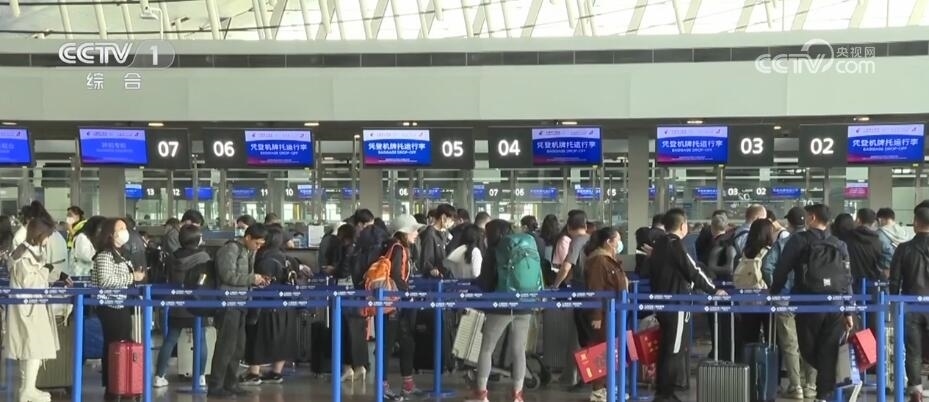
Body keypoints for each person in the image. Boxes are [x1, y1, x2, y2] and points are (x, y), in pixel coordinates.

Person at [770, 204, 854, 402]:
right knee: (828, 351)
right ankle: (823, 394)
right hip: (834, 306)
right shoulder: (839, 244)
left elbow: (782, 269)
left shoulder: (799, 241)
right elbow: (847, 279)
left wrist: (774, 292)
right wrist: (848, 310)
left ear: (813, 217)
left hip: (807, 304)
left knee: (807, 350)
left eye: (808, 215)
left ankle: (823, 389)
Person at [648, 208, 726, 402]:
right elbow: (693, 270)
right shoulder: (676, 245)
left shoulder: (659, 245)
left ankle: (662, 390)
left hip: (662, 303)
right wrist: (714, 290)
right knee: (674, 350)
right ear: (683, 226)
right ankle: (666, 394)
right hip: (677, 304)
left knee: (666, 347)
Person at [467, 219, 537, 402]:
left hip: (500, 305)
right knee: (518, 351)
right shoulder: (522, 246)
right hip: (524, 305)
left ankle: (481, 394)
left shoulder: (494, 251)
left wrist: (475, 286)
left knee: (487, 349)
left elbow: (486, 282)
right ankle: (517, 395)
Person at [208, 224, 269, 398]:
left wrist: (257, 281)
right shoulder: (230, 249)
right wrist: (252, 279)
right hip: (229, 303)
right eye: (257, 243)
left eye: (261, 244)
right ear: (247, 237)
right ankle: (216, 385)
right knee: (225, 346)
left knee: (238, 347)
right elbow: (227, 275)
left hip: (242, 302)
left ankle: (231, 383)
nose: (258, 247)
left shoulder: (249, 251)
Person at [762, 206, 816, 400]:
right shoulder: (816, 241)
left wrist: (777, 288)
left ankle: (796, 386)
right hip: (811, 300)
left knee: (790, 344)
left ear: (790, 224)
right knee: (810, 341)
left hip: (785, 299)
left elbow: (767, 267)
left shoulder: (783, 242)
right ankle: (811, 385)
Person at [91, 218, 147, 401]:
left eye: (125, 228)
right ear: (110, 234)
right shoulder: (105, 256)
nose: (125, 231)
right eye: (120, 228)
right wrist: (132, 277)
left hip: (120, 304)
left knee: (120, 344)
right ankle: (114, 385)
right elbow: (105, 281)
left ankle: (120, 384)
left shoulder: (119, 254)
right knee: (114, 345)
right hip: (110, 306)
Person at [7, 216, 60, 402]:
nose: (48, 239)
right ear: (39, 235)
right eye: (47, 235)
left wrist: (52, 273)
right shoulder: (23, 255)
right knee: (32, 349)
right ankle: (27, 390)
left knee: (31, 350)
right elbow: (31, 283)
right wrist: (47, 271)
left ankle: (27, 388)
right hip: (28, 308)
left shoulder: (30, 252)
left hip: (32, 307)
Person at [153, 224, 210, 389]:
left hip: (177, 303)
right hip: (197, 303)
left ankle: (159, 376)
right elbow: (205, 280)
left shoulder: (172, 257)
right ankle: (200, 376)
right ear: (197, 239)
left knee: (170, 339)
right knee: (200, 339)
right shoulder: (204, 257)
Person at [241, 226, 299, 386]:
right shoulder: (288, 259)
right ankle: (276, 372)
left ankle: (253, 373)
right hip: (286, 306)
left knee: (257, 339)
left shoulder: (263, 259)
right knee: (282, 340)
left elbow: (260, 283)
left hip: (265, 306)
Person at [583, 226, 629, 402]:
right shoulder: (598, 261)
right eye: (617, 240)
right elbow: (596, 289)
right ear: (608, 242)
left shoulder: (609, 259)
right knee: (600, 350)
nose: (619, 243)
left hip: (613, 312)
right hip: (603, 313)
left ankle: (608, 386)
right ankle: (598, 389)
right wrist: (596, 316)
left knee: (609, 350)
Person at [381, 214, 423, 400]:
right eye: (413, 230)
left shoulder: (396, 247)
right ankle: (383, 386)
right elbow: (396, 276)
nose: (416, 233)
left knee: (406, 343)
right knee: (388, 345)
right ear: (404, 232)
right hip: (393, 304)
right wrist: (407, 294)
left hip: (395, 303)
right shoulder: (398, 249)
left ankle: (407, 384)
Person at [889, 207, 929, 401]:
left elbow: (894, 280)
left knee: (913, 351)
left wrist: (893, 302)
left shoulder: (904, 248)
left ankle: (916, 391)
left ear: (915, 223)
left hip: (911, 305)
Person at [325, 223, 368, 382]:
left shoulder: (347, 249)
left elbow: (343, 271)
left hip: (344, 294)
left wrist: (332, 270)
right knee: (357, 331)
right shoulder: (360, 248)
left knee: (343, 331)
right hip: (356, 294)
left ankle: (347, 367)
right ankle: (360, 366)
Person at [834, 209, 888, 331]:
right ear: (873, 222)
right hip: (872, 286)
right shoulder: (878, 241)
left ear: (858, 220)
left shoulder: (846, 240)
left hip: (850, 286)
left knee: (852, 322)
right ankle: (871, 342)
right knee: (872, 322)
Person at [733, 218, 776, 360]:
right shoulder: (770, 252)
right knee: (771, 337)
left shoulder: (744, 253)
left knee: (749, 337)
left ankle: (749, 366)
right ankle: (768, 368)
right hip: (765, 299)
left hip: (746, 300)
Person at [419, 203, 455, 279]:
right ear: (443, 218)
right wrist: (431, 269)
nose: (452, 224)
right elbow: (426, 259)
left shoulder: (445, 233)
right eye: (451, 220)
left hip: (445, 275)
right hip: (433, 279)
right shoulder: (430, 234)